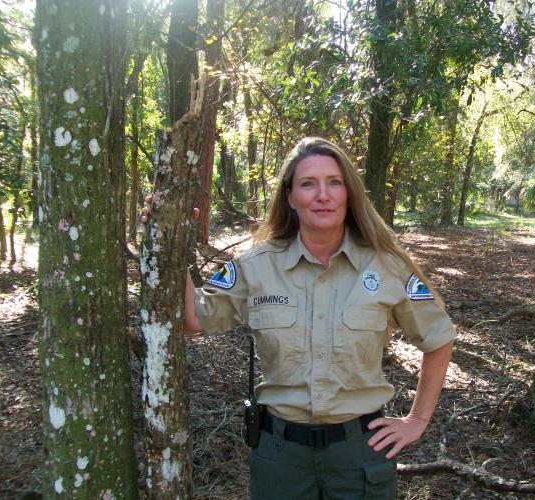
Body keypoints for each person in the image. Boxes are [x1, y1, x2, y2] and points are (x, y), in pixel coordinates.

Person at [145, 137, 455, 499]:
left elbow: (438, 337)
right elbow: (193, 319)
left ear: (348, 194)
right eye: (308, 184)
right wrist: (169, 238)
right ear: (290, 197)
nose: (323, 195)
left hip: (360, 454)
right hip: (281, 456)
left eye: (334, 182)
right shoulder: (256, 268)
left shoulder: (386, 267)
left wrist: (415, 421)